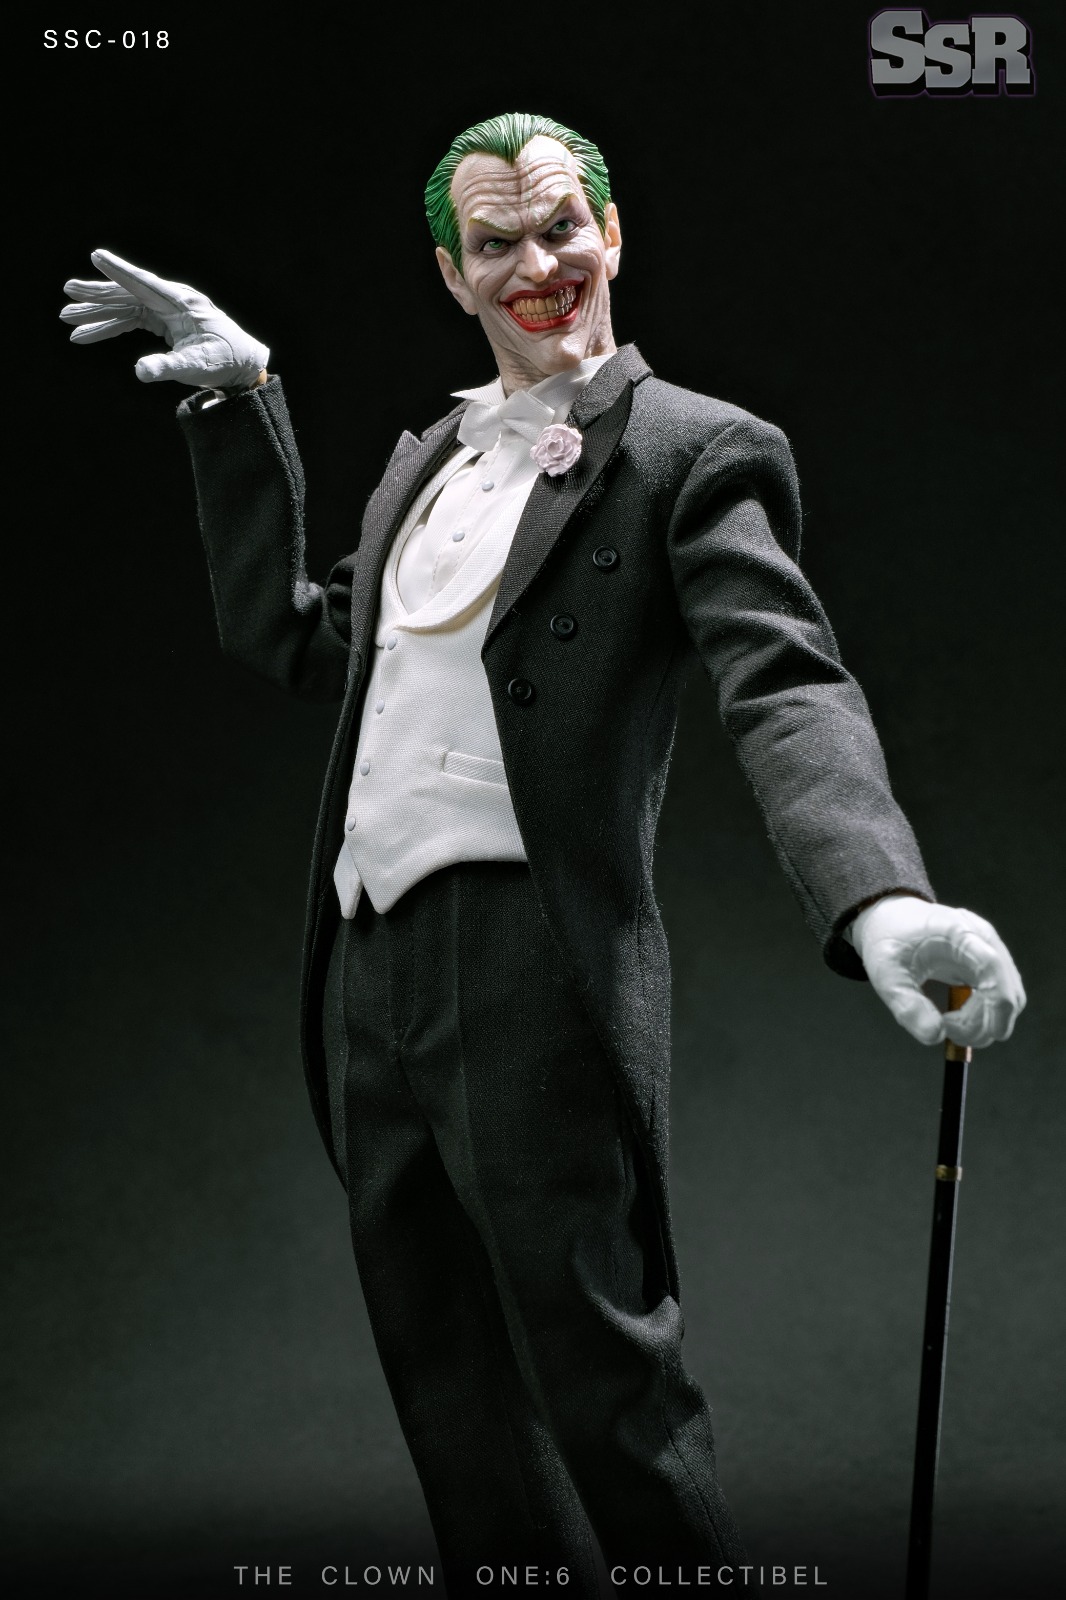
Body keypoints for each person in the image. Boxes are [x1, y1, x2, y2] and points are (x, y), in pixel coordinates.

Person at [61, 112, 1024, 1595]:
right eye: (496, 242)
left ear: (612, 234)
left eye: (562, 225)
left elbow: (784, 685)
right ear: (454, 275)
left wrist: (879, 897)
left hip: (531, 966)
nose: (537, 265)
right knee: (448, 1384)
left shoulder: (690, 450)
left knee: (600, 1380)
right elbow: (296, 639)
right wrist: (241, 399)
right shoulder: (427, 464)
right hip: (365, 965)